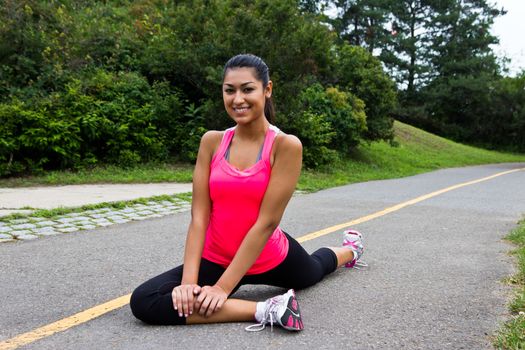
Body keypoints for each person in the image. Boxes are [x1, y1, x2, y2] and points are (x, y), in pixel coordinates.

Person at [130, 53, 365, 332]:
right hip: (217, 257)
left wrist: (221, 289)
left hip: (269, 256)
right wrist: (189, 283)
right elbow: (199, 217)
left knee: (315, 269)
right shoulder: (212, 142)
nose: (237, 99)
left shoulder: (285, 146)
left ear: (267, 90)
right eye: (229, 90)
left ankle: (350, 251)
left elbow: (266, 222)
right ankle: (270, 309)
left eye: (247, 89)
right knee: (145, 300)